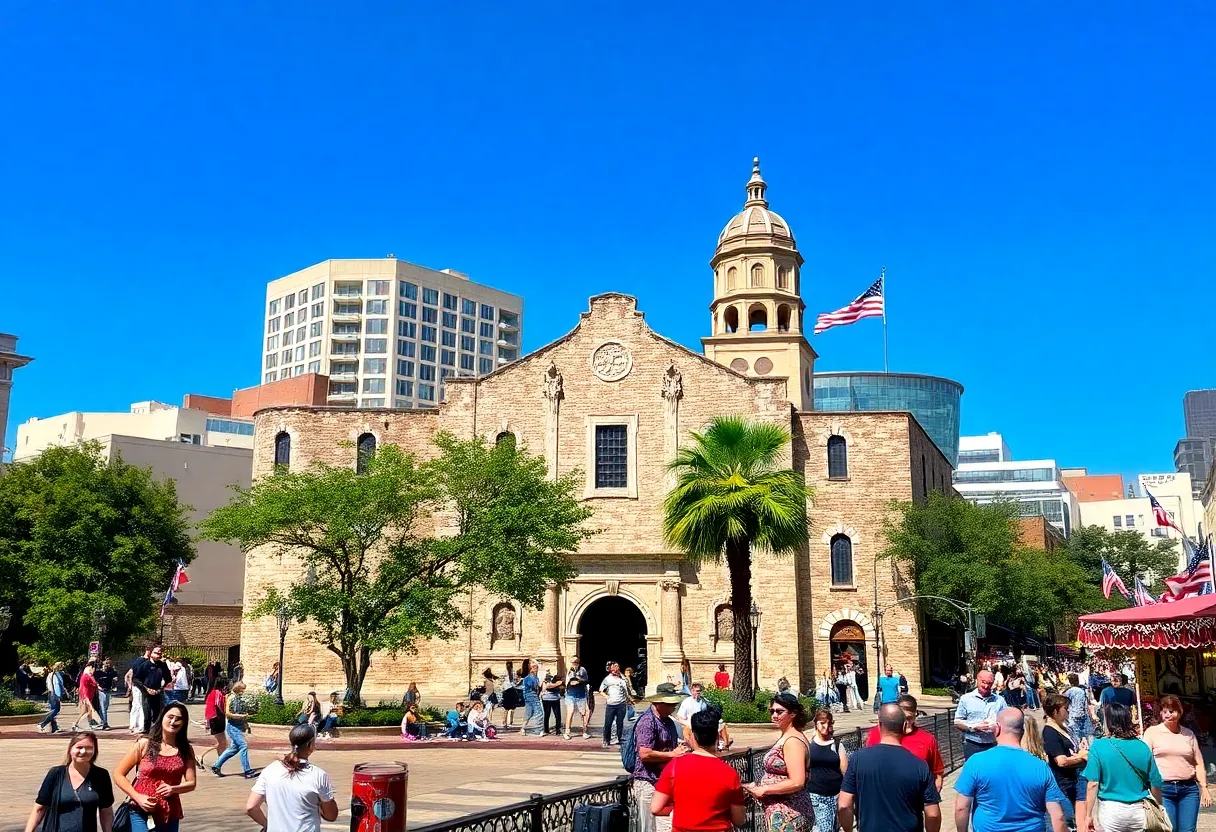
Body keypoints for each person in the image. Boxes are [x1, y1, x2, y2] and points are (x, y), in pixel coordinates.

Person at [953, 708, 1069, 832]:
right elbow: (1058, 816)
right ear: (1022, 732)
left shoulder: (976, 762)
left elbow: (961, 807)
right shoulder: (1040, 766)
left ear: (997, 729)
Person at [839, 703, 942, 832]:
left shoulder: (858, 759)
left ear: (879, 725)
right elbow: (932, 813)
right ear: (904, 726)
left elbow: (844, 805)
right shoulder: (920, 766)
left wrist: (848, 829)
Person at [651, 707, 747, 832]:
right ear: (717, 738)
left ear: (693, 737)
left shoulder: (675, 766)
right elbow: (739, 820)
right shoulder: (729, 773)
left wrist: (679, 809)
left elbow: (655, 808)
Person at [113, 701, 198, 832]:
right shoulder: (144, 744)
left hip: (170, 812)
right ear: (162, 717)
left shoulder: (185, 750)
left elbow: (191, 783)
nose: (173, 721)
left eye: (179, 719)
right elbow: (118, 774)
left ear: (183, 723)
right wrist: (137, 797)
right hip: (139, 810)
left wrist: (173, 789)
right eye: (170, 717)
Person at [1082, 702, 1164, 832]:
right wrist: (1158, 808)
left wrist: (1088, 815)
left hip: (1111, 811)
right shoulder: (1142, 746)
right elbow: (1156, 783)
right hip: (1139, 810)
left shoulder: (1098, 746)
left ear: (1108, 722)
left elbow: (1093, 784)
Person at [742, 691, 815, 832]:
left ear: (792, 714)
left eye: (779, 712)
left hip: (789, 815)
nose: (774, 715)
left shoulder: (793, 741)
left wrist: (764, 789)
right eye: (772, 711)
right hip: (784, 814)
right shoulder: (788, 737)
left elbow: (797, 781)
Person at [246, 723, 339, 832]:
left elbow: (251, 807)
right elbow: (331, 816)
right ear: (310, 745)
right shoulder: (318, 775)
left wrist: (267, 825)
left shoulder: (270, 770)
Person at [1143, 694, 1212, 832]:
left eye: (1172, 711)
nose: (1168, 714)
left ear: (1179, 712)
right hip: (1163, 789)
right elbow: (1145, 760)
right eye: (1165, 711)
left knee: (1188, 829)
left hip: (1188, 789)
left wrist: (1204, 788)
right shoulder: (1152, 732)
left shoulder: (1188, 734)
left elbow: (1198, 762)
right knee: (1169, 828)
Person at [25, 731, 114, 832]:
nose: (83, 751)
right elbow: (39, 808)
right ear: (70, 750)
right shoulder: (56, 773)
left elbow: (106, 810)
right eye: (79, 747)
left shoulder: (101, 775)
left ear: (94, 751)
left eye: (89, 748)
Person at [632, 683, 687, 832]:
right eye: (671, 704)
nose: (674, 707)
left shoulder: (668, 722)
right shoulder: (647, 722)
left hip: (664, 781)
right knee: (648, 826)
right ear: (658, 703)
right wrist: (672, 754)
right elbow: (644, 753)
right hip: (647, 781)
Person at [865, 694, 945, 792]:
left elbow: (937, 773)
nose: (906, 722)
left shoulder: (927, 739)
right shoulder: (876, 734)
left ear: (915, 715)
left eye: (910, 718)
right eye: (902, 718)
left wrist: (931, 799)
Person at [1043, 694, 1089, 832]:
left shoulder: (1063, 727)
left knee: (1078, 818)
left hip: (1074, 780)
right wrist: (1083, 757)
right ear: (1056, 711)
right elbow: (1061, 761)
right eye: (1065, 708)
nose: (1068, 711)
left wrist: (1080, 748)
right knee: (1070, 820)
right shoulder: (1050, 731)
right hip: (1065, 783)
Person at [805, 708, 849, 832]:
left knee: (833, 827)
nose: (826, 726)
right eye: (822, 723)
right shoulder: (809, 744)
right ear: (816, 724)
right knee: (826, 828)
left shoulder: (837, 744)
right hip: (816, 794)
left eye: (829, 723)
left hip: (836, 794)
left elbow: (845, 770)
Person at [954, 669, 1007, 760]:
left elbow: (1006, 721)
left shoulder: (1000, 700)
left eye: (989, 683)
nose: (986, 686)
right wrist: (973, 728)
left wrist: (997, 727)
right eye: (983, 682)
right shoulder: (966, 699)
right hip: (972, 744)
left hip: (993, 745)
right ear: (977, 680)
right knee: (974, 773)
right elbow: (957, 722)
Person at [214, 681, 256, 778]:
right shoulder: (231, 698)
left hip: (238, 727)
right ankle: (247, 771)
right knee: (243, 746)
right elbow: (228, 713)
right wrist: (240, 716)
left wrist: (246, 725)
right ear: (237, 689)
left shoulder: (239, 699)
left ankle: (216, 766)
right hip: (233, 727)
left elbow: (243, 713)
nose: (243, 692)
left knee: (233, 749)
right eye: (242, 689)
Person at [132, 645, 171, 735]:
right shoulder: (145, 665)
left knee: (158, 714)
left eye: (160, 653)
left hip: (158, 692)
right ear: (151, 653)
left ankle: (156, 733)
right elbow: (136, 679)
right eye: (156, 653)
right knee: (147, 713)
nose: (158, 655)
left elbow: (168, 678)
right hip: (147, 693)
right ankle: (146, 732)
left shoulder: (162, 665)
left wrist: (161, 688)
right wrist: (146, 689)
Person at [599, 661, 630, 747]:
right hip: (611, 704)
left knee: (619, 723)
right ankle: (606, 739)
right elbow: (601, 690)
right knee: (608, 723)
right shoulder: (607, 679)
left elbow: (627, 689)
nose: (614, 671)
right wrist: (607, 697)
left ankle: (618, 739)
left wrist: (629, 700)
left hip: (621, 704)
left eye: (616, 669)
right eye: (613, 670)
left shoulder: (622, 679)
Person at [200, 677, 229, 767]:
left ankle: (219, 762)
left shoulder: (214, 693)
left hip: (216, 719)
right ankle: (201, 755)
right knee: (222, 742)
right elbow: (218, 705)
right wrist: (225, 712)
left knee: (222, 743)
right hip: (216, 719)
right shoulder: (217, 693)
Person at [563, 657, 591, 740]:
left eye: (575, 662)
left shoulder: (583, 670)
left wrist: (579, 681)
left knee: (583, 714)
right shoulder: (569, 670)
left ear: (578, 662)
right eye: (572, 662)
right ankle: (567, 732)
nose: (574, 663)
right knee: (570, 712)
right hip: (570, 695)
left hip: (581, 695)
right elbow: (567, 682)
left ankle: (585, 732)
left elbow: (587, 680)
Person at [1063, 673, 1096, 742]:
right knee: (1085, 734)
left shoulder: (1068, 691)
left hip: (1072, 715)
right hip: (1083, 714)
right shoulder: (1083, 689)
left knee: (1076, 735)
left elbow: (1065, 703)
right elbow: (1087, 703)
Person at [73, 661, 103, 731]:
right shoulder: (86, 676)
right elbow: (86, 687)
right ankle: (76, 723)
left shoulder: (88, 675)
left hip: (89, 695)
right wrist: (86, 698)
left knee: (87, 711)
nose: (94, 670)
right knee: (87, 711)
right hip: (86, 696)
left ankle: (89, 724)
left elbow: (94, 684)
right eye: (93, 669)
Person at [39, 661, 67, 734]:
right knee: (56, 710)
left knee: (52, 710)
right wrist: (59, 695)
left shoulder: (50, 674)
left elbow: (48, 684)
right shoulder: (58, 675)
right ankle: (42, 724)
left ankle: (54, 728)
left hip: (50, 693)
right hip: (55, 694)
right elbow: (57, 685)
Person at [95, 658, 119, 731]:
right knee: (103, 708)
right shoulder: (98, 673)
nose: (106, 666)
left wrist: (114, 682)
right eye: (105, 664)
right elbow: (94, 681)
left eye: (108, 664)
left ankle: (102, 721)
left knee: (105, 707)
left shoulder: (111, 672)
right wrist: (98, 686)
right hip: (102, 691)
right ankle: (104, 723)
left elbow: (115, 678)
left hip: (108, 690)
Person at [521, 661, 543, 737]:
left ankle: (523, 728)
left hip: (530, 697)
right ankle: (538, 730)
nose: (536, 669)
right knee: (539, 712)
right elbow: (531, 686)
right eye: (535, 668)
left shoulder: (534, 677)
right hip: (531, 697)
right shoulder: (530, 678)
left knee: (529, 713)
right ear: (531, 669)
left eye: (537, 668)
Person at [541, 667, 564, 735]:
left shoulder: (557, 677)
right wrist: (557, 684)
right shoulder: (547, 677)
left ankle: (558, 730)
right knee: (547, 714)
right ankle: (546, 729)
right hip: (547, 698)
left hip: (555, 698)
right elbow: (548, 686)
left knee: (557, 715)